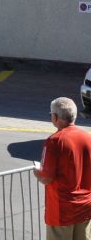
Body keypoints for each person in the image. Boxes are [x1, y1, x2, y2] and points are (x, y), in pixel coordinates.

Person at [34, 97, 91, 240]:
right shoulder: (88, 137)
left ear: (55, 117)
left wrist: (36, 172)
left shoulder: (54, 141)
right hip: (85, 207)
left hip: (62, 211)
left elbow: (46, 178)